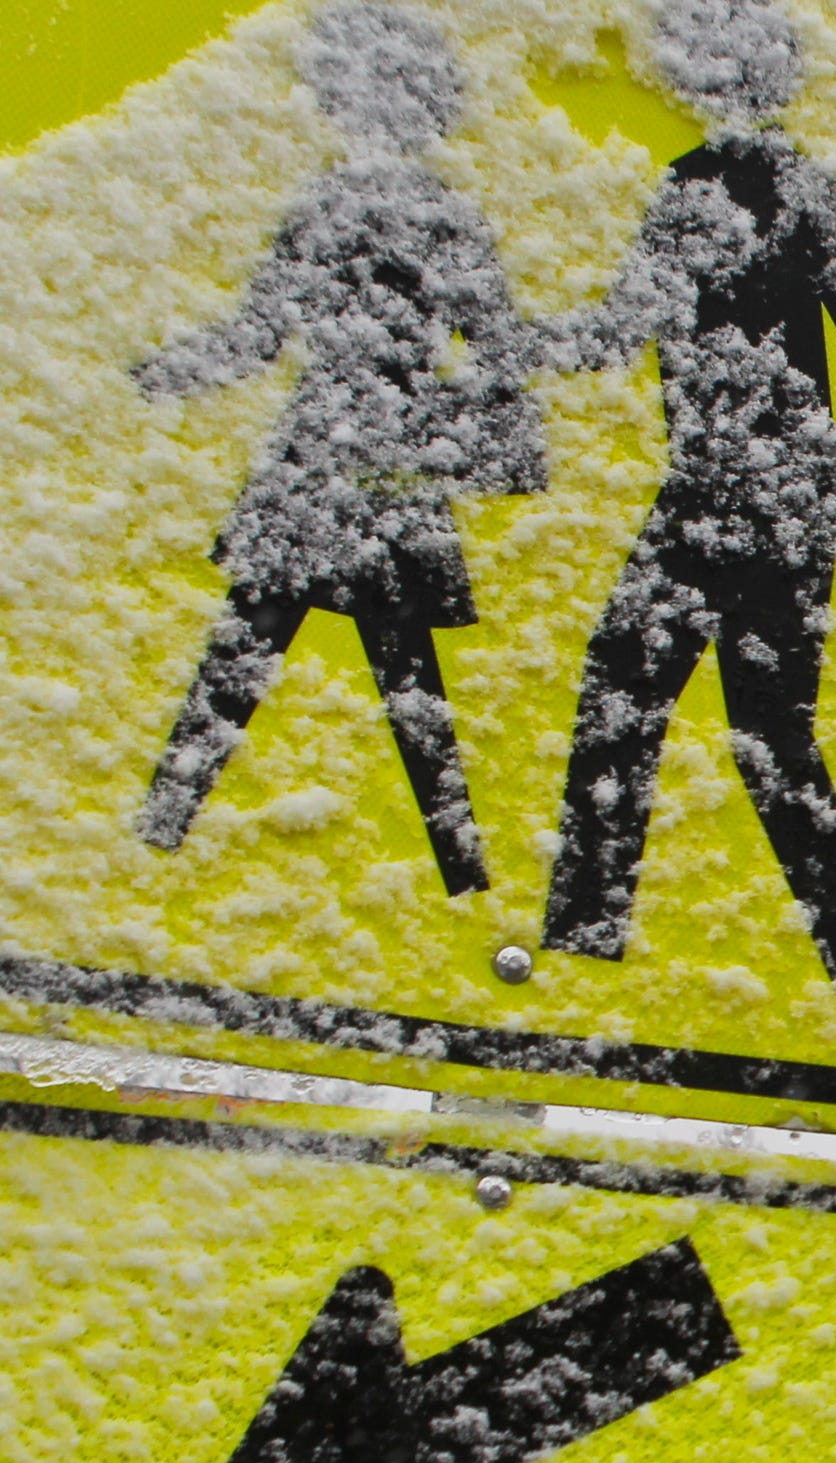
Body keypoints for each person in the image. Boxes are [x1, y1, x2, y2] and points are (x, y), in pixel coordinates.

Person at [540, 0, 836, 996]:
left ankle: (591, 937)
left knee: (648, 711)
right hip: (762, 502)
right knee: (738, 728)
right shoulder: (765, 188)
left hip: (736, 498)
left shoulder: (724, 189)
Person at [133, 0, 541, 897]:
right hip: (354, 460)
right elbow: (258, 332)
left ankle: (460, 871)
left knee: (329, 665)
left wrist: (164, 370)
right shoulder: (389, 210)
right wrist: (164, 371)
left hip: (350, 462)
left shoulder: (416, 215)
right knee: (325, 663)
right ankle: (461, 871)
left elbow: (500, 352)